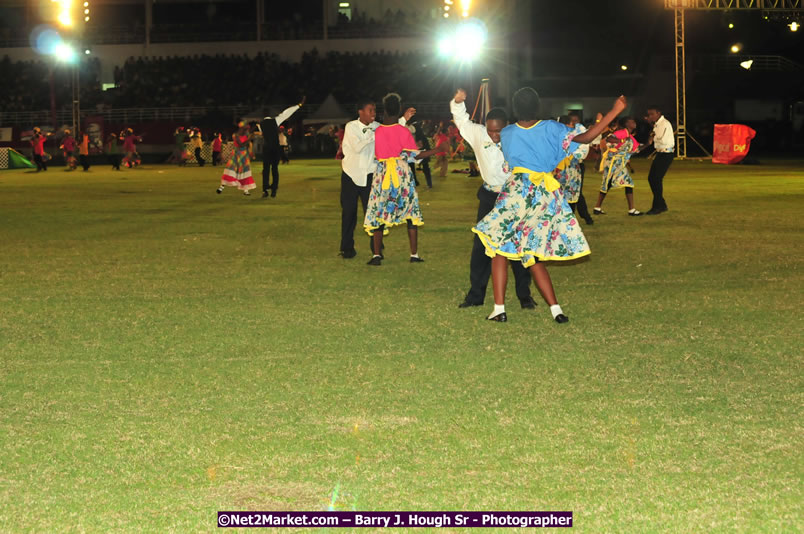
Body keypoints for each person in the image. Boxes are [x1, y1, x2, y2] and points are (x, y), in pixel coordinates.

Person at [473, 88, 626, 323]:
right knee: (533, 254)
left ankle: (499, 309)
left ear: (516, 109)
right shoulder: (552, 129)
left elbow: (508, 162)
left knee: (498, 250)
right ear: (537, 107)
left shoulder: (508, 133)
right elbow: (585, 138)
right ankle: (556, 310)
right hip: (543, 196)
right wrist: (614, 111)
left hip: (515, 193)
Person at [450, 89, 537, 310]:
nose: (493, 135)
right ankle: (475, 295)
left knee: (519, 248)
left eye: (498, 131)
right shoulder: (479, 134)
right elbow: (461, 121)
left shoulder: (518, 136)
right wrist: (458, 102)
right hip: (489, 197)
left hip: (513, 197)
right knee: (481, 248)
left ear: (507, 126)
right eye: (490, 131)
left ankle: (524, 295)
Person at [363, 93, 444, 266]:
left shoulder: (377, 131)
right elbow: (415, 155)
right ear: (399, 109)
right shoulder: (403, 131)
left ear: (384, 109)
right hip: (401, 175)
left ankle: (376, 255)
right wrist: (437, 150)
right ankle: (414, 254)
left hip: (382, 174)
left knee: (379, 212)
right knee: (410, 214)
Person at [339, 100, 416, 259]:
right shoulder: (351, 126)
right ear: (360, 112)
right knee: (349, 213)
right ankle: (347, 248)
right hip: (351, 174)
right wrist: (375, 135)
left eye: (375, 110)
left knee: (373, 213)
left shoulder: (377, 127)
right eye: (370, 110)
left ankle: (376, 248)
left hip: (370, 175)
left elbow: (392, 130)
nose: (374, 113)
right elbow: (358, 147)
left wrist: (403, 119)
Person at [593, 117, 643, 216]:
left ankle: (631, 209)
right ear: (626, 124)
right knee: (608, 183)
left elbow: (636, 150)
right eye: (631, 121)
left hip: (620, 164)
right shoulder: (622, 133)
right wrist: (623, 139)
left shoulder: (630, 137)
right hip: (613, 163)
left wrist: (649, 143)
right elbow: (609, 138)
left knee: (627, 183)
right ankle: (597, 207)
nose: (634, 122)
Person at [260, 97, 305, 199]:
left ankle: (265, 190)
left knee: (266, 169)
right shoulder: (274, 121)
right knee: (275, 169)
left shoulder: (261, 124)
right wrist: (299, 105)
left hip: (266, 148)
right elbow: (286, 113)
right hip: (275, 148)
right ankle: (274, 190)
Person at [645, 105, 675, 215]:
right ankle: (660, 204)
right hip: (661, 153)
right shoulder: (658, 124)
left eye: (652, 114)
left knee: (655, 179)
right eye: (649, 114)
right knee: (653, 179)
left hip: (666, 153)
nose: (650, 116)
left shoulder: (663, 124)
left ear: (658, 113)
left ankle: (658, 206)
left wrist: (652, 135)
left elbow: (659, 138)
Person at [217, 120, 258, 195]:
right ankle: (221, 187)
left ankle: (246, 190)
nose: (247, 129)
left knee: (244, 171)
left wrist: (256, 124)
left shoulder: (246, 134)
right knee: (231, 169)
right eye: (245, 127)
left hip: (244, 155)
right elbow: (241, 144)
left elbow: (248, 142)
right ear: (241, 128)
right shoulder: (235, 135)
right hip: (236, 154)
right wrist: (249, 139)